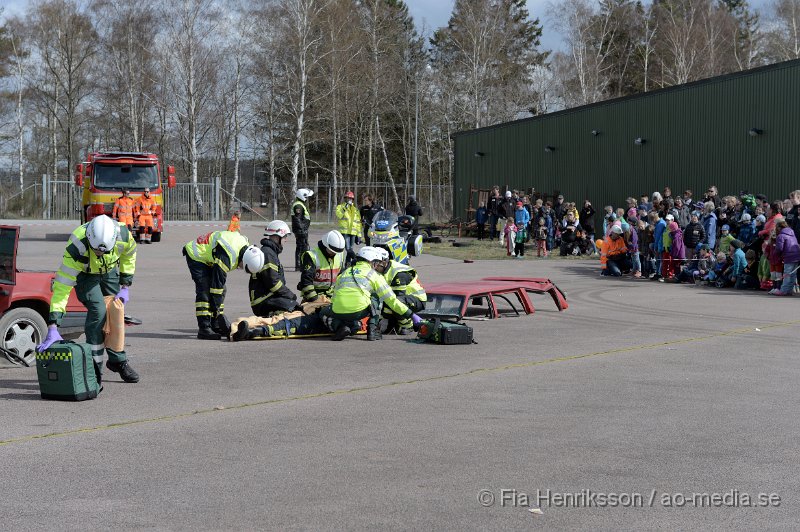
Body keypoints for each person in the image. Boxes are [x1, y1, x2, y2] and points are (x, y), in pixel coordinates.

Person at [37, 215, 140, 384]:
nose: (100, 253)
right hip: (85, 275)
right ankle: (94, 370)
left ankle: (117, 361)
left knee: (115, 312)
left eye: (103, 251)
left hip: (109, 270)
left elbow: (129, 256)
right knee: (98, 312)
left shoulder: (123, 235)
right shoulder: (77, 247)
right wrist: (54, 325)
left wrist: (125, 286)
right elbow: (62, 288)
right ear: (90, 240)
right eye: (97, 250)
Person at [320, 246, 421, 341]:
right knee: (377, 296)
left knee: (322, 313)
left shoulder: (344, 273)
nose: (377, 265)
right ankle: (373, 330)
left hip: (338, 310)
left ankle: (340, 327)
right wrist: (411, 315)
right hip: (360, 311)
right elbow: (392, 300)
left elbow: (334, 296)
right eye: (376, 262)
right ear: (370, 261)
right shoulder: (374, 275)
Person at [183, 229, 250, 340]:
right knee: (204, 291)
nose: (241, 268)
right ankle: (204, 328)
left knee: (222, 290)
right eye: (244, 267)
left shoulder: (244, 245)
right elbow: (217, 284)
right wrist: (217, 307)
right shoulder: (229, 255)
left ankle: (215, 324)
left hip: (208, 256)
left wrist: (217, 311)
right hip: (196, 255)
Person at [247, 220, 299, 316]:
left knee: (293, 305)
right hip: (264, 301)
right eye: (285, 237)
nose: (286, 240)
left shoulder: (270, 252)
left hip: (267, 298)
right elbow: (273, 282)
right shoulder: (268, 254)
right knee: (294, 308)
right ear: (277, 237)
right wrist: (290, 295)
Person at [373, 247, 427, 334]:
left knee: (397, 302)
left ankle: (408, 325)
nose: (373, 267)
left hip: (416, 300)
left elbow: (394, 300)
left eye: (376, 264)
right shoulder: (383, 270)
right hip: (401, 299)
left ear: (383, 262)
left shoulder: (398, 274)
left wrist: (384, 318)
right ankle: (396, 323)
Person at [298, 230, 346, 303]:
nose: (334, 254)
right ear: (325, 245)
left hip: (332, 296)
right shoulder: (312, 256)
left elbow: (341, 277)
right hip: (313, 295)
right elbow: (306, 281)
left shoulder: (339, 254)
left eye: (336, 252)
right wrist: (315, 300)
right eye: (331, 251)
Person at [770, 218, 800, 295]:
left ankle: (783, 290)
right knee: (793, 274)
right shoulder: (792, 234)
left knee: (787, 274)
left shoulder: (781, 236)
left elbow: (779, 248)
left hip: (788, 257)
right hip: (796, 256)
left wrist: (774, 254)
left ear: (779, 227)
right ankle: (789, 290)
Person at [291, 203, 310, 271]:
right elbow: (297, 219)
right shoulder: (298, 205)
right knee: (302, 248)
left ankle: (300, 266)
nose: (306, 198)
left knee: (302, 247)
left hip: (302, 230)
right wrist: (302, 230)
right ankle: (300, 266)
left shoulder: (300, 204)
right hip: (301, 231)